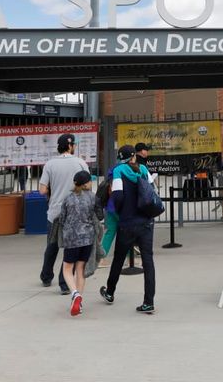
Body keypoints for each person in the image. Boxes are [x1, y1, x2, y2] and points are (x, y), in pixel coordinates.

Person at [100, 148, 158, 315]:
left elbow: (117, 195)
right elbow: (150, 191)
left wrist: (121, 210)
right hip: (145, 222)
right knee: (148, 260)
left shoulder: (118, 170)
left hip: (127, 222)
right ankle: (149, 302)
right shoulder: (143, 169)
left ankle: (110, 292)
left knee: (118, 258)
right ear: (133, 156)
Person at [39, 134, 90, 294]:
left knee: (52, 245)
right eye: (73, 144)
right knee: (70, 248)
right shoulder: (81, 162)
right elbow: (88, 186)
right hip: (75, 214)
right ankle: (64, 284)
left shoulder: (50, 164)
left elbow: (42, 189)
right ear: (70, 146)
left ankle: (46, 277)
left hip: (54, 212)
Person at [59, 170, 103, 317]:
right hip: (88, 238)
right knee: (80, 269)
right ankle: (79, 301)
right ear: (86, 183)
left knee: (67, 268)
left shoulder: (68, 199)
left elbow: (62, 218)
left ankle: (75, 294)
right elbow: (100, 215)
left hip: (71, 238)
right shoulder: (93, 198)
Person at [99, 146, 135, 269]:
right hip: (122, 207)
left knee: (109, 232)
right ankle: (130, 259)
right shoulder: (128, 169)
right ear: (131, 157)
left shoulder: (113, 169)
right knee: (127, 231)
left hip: (111, 206)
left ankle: (100, 258)